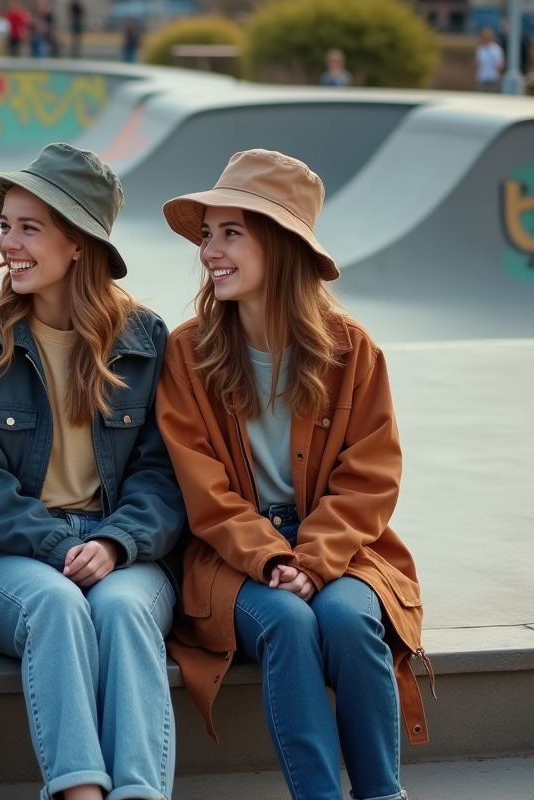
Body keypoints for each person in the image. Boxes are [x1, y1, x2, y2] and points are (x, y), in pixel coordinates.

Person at [158, 149, 429, 800]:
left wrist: (312, 557)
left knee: (346, 621)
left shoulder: (350, 349)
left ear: (280, 245)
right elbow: (205, 492)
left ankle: (383, 794)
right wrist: (273, 559)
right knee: (286, 621)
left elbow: (370, 477)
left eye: (231, 233)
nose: (210, 251)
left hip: (342, 552)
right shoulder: (188, 352)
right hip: (231, 559)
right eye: (207, 234)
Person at [0, 143, 186, 800]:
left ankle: (139, 792)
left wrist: (113, 542)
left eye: (29, 228)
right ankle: (80, 794)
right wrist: (59, 544)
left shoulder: (144, 339)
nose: (7, 244)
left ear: (78, 243)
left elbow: (163, 477)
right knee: (55, 605)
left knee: (126, 614)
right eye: (5, 226)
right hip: (7, 551)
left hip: (119, 546)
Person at [476, 27, 505, 92]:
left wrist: (497, 76)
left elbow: (500, 64)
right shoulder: (480, 49)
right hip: (482, 77)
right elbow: (478, 63)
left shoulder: (496, 49)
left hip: (493, 77)